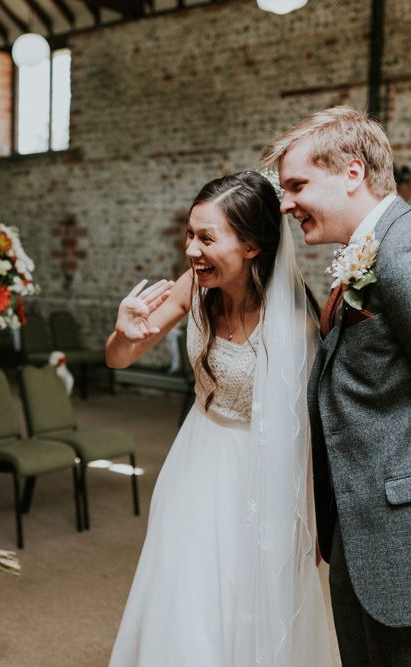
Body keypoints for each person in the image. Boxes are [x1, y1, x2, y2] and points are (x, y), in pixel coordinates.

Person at [107, 171, 333, 666]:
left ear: (252, 246)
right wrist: (125, 333)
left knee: (247, 592)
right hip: (197, 453)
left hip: (260, 471)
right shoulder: (194, 287)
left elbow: (311, 432)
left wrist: (310, 518)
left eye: (207, 237)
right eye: (190, 234)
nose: (191, 249)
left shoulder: (294, 326)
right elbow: (119, 358)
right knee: (183, 583)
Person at [262, 105, 411, 666]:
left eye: (297, 185)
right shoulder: (368, 254)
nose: (287, 204)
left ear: (351, 173)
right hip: (363, 534)